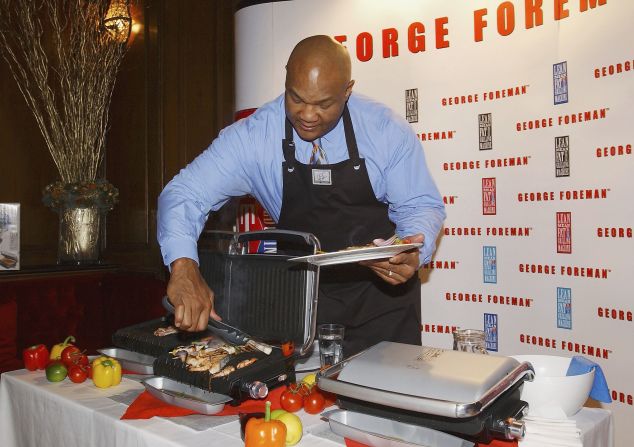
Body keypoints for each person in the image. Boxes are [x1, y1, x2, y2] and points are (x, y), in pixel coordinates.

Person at [157, 35, 445, 356]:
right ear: (286, 78)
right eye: (296, 98)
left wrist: (411, 250)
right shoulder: (254, 137)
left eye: (324, 104)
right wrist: (183, 264)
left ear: (347, 91)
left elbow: (421, 206)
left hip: (384, 303)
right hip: (304, 304)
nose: (307, 115)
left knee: (389, 401)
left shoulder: (383, 129)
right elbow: (185, 192)